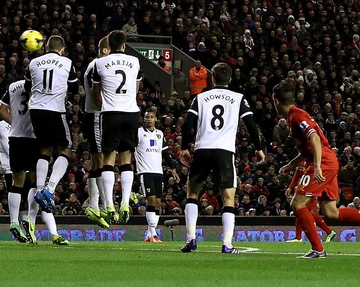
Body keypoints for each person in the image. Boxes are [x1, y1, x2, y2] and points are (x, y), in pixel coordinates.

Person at [273, 78, 360, 259]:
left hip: (324, 163)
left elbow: (315, 139)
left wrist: (318, 166)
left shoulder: (297, 116)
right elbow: (308, 149)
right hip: (327, 161)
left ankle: (318, 250)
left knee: (297, 204)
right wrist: (291, 165)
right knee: (331, 212)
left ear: (276, 101)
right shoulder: (293, 117)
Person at [179, 62, 265, 254]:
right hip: (224, 151)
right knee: (228, 198)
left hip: (202, 149)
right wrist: (258, 148)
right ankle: (227, 244)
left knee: (192, 193)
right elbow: (251, 125)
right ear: (230, 79)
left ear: (212, 78)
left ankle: (191, 239)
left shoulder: (200, 97)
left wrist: (184, 148)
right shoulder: (238, 98)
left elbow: (187, 125)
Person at [26, 36, 79, 227]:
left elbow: (27, 87)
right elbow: (74, 88)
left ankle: (40, 188)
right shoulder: (67, 62)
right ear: (63, 49)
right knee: (66, 149)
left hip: (36, 110)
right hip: (55, 110)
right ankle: (49, 188)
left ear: (46, 47)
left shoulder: (33, 62)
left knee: (45, 149)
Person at [92, 31, 143, 224]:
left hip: (110, 113)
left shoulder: (100, 63)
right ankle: (124, 203)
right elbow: (136, 87)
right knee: (126, 158)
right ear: (123, 45)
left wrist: (104, 106)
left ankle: (110, 205)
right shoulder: (135, 62)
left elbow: (96, 93)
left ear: (109, 46)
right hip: (131, 113)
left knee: (108, 158)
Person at [0, 80, 47, 245]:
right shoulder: (41, 84)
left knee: (16, 181)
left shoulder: (13, 86)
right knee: (35, 179)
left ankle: (13, 221)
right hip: (34, 137)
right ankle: (30, 219)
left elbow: (1, 110)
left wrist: (15, 124)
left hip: (15, 137)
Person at [136, 107, 177, 243]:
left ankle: (151, 234)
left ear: (155, 119)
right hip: (145, 171)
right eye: (147, 117)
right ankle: (153, 233)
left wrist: (173, 169)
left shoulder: (160, 134)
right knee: (151, 200)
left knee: (159, 202)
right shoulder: (139, 133)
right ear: (144, 119)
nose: (149, 119)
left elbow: (165, 154)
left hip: (158, 172)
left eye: (152, 117)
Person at [82, 36, 111, 228]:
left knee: (96, 161)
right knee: (101, 160)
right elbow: (96, 94)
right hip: (97, 115)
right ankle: (107, 205)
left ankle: (94, 205)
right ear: (106, 50)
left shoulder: (95, 64)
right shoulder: (97, 65)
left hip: (93, 115)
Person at [284, 162, 336, 243]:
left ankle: (328, 232)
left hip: (311, 190)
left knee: (304, 212)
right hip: (302, 190)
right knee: (301, 212)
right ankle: (329, 232)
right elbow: (297, 175)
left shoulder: (314, 163)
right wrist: (290, 188)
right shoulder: (301, 163)